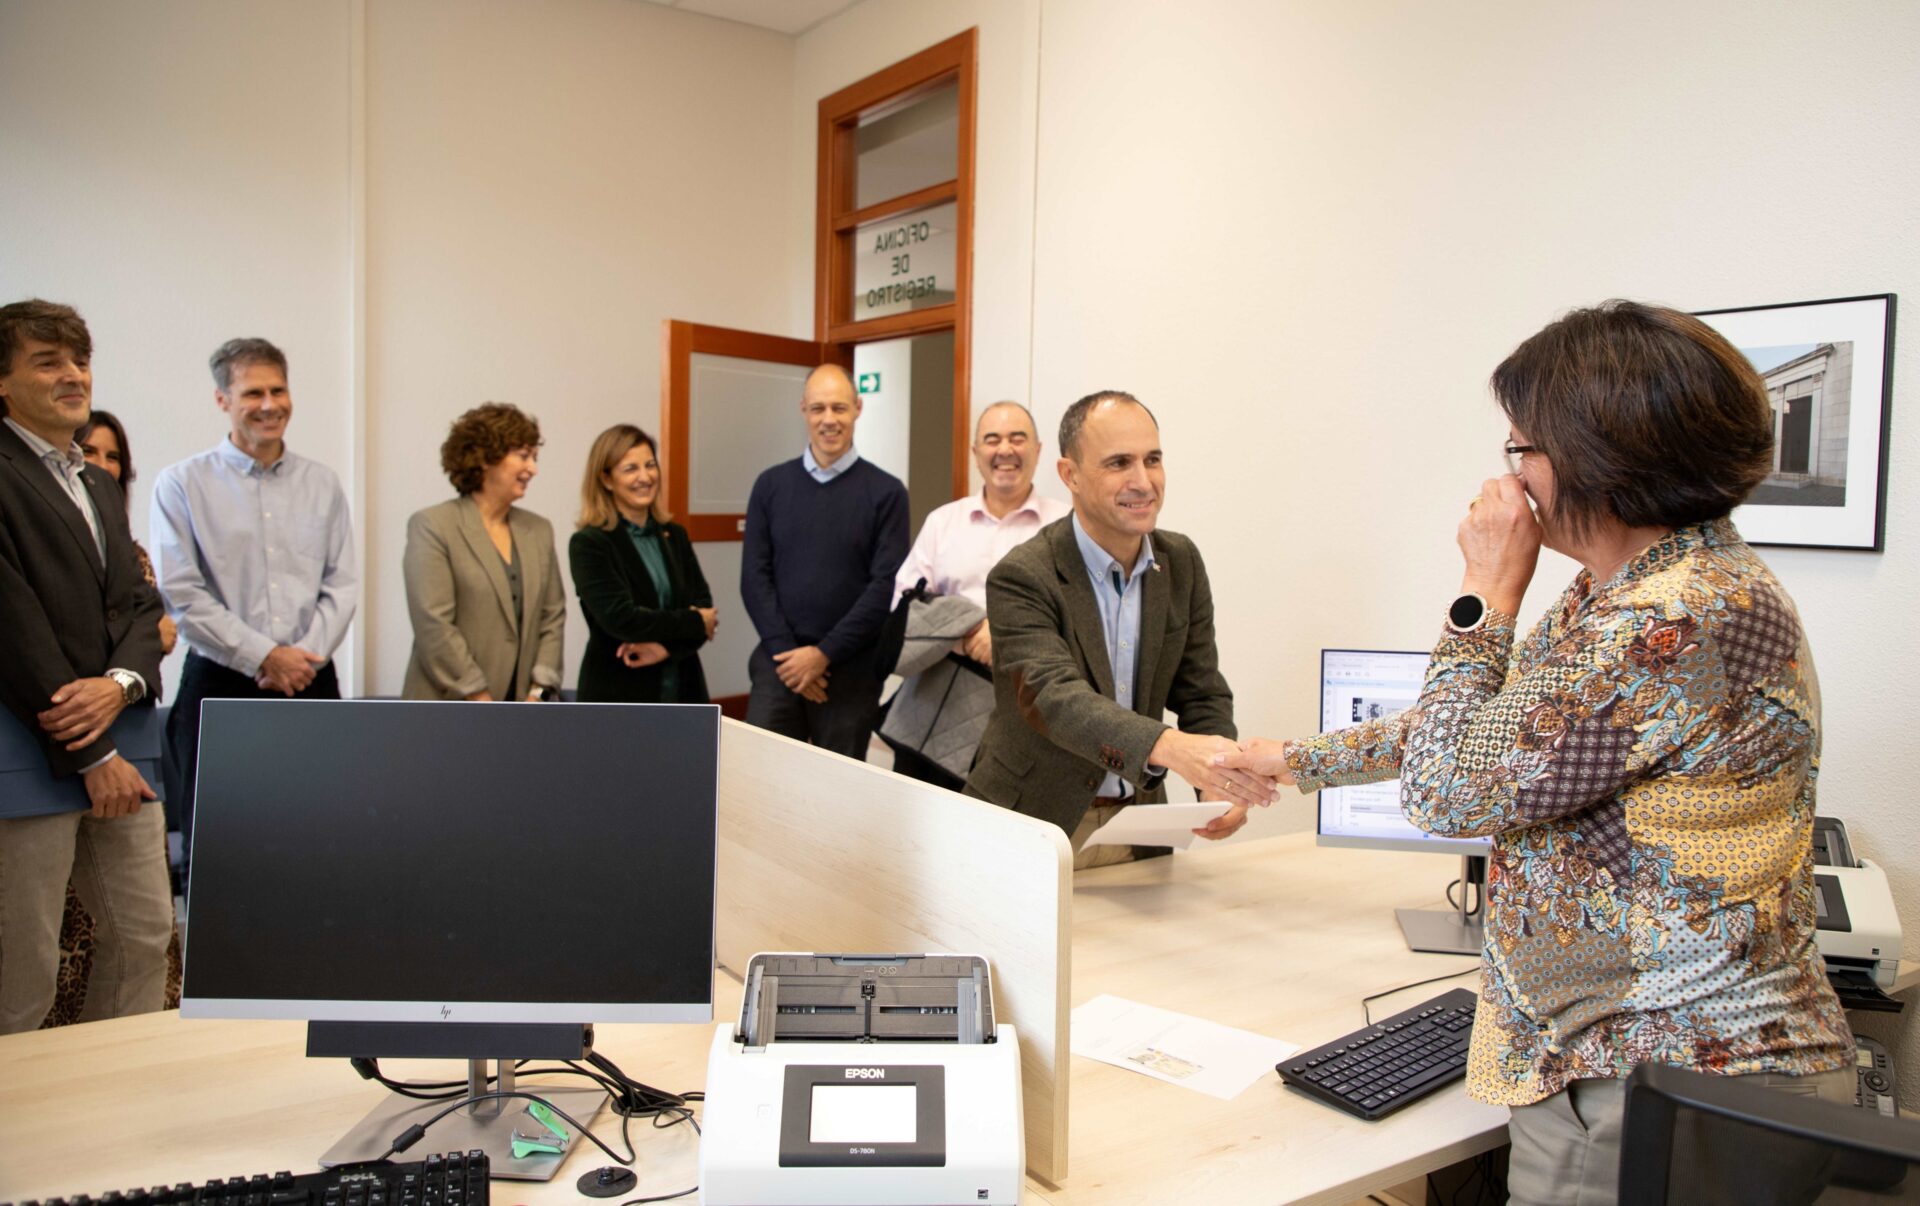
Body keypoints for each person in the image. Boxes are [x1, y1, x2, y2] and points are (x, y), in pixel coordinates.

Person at [1220, 301, 1854, 1205]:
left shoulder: (1678, 615)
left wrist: (1483, 589)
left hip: (1665, 1073)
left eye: (1523, 448)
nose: (1508, 476)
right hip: (1624, 1057)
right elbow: (1497, 730)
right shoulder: (1625, 590)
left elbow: (1451, 793)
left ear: (1603, 456)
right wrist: (1293, 759)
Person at [962, 391, 1275, 869]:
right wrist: (1172, 748)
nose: (1143, 481)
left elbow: (1202, 690)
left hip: (1140, 829)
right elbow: (1055, 699)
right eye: (1119, 463)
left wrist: (1219, 779)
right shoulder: (1022, 575)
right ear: (1070, 474)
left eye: (1153, 460)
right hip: (1035, 824)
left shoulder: (1180, 561)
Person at [0, 299, 173, 1034]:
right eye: (47, 362)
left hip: (127, 746)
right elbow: (14, 631)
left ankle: (116, 1093)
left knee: (145, 942)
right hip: (28, 756)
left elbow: (139, 606)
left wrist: (118, 686)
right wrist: (93, 750)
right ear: (3, 382)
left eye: (79, 360)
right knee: (24, 976)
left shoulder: (97, 482)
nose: (73, 375)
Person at [151, 337, 358, 884]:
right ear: (222, 400)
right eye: (252, 393)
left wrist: (302, 657)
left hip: (310, 679)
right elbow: (182, 592)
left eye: (278, 390)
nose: (270, 404)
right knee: (218, 849)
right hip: (219, 680)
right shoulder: (181, 484)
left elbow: (342, 583)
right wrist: (265, 656)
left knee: (320, 840)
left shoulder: (323, 483)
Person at [880, 401, 1069, 786]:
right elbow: (902, 606)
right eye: (992, 439)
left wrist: (1004, 639)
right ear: (976, 452)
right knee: (925, 817)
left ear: (1038, 450)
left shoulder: (1067, 526)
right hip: (938, 714)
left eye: (1018, 438)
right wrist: (968, 631)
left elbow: (1084, 617)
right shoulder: (944, 522)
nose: (1005, 450)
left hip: (1031, 712)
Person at [741, 364, 909, 758]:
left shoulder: (887, 493)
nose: (828, 419)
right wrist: (791, 658)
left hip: (851, 672)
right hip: (779, 665)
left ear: (858, 408)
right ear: (803, 410)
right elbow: (754, 578)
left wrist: (823, 655)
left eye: (839, 408)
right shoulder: (770, 486)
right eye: (818, 408)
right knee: (761, 776)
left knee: (838, 788)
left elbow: (884, 587)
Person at [402, 403, 565, 702]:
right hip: (447, 708)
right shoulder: (433, 526)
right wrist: (478, 696)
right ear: (486, 457)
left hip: (524, 709)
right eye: (523, 456)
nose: (533, 469)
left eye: (534, 457)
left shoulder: (539, 530)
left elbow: (552, 617)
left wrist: (539, 692)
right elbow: (433, 624)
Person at [569, 424, 717, 703]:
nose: (645, 477)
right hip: (619, 692)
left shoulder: (675, 535)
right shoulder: (589, 544)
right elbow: (622, 619)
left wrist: (666, 650)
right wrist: (695, 621)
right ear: (606, 479)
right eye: (630, 469)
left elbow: (704, 604)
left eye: (650, 465)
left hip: (684, 689)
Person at [79, 410, 177, 656]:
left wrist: (150, 634)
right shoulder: (50, 545)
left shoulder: (135, 556)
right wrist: (150, 634)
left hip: (131, 679)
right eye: (88, 451)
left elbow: (163, 633)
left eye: (113, 457)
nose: (102, 465)